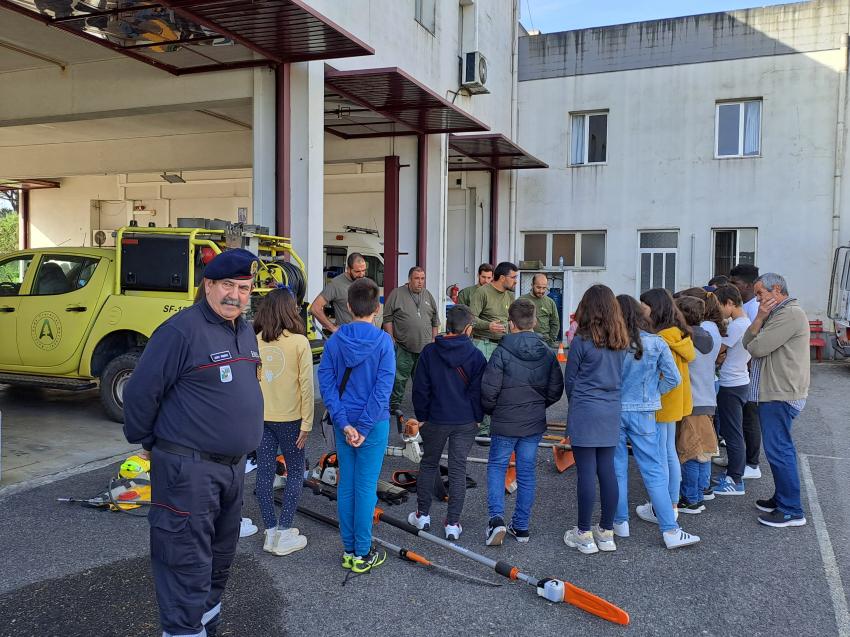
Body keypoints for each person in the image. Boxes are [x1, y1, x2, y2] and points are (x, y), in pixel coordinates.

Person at [123, 248, 264, 637]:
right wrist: (151, 440)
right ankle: (182, 631)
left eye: (245, 287)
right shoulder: (179, 331)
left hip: (233, 468)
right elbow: (140, 395)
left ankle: (205, 625)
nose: (236, 295)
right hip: (189, 470)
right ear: (208, 285)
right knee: (185, 561)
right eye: (228, 286)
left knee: (219, 558)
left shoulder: (244, 330)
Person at [317, 277, 395, 573]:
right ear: (377, 308)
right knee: (365, 488)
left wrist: (344, 422)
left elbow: (326, 384)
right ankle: (362, 552)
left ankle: (349, 549)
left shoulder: (335, 340)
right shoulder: (383, 342)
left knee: (347, 486)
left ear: (348, 306)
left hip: (343, 422)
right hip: (372, 425)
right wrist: (362, 427)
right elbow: (383, 389)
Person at [613, 294, 699, 549]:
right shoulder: (656, 343)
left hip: (616, 411)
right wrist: (652, 393)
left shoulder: (611, 343)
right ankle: (670, 530)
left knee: (617, 469)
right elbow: (674, 379)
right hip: (645, 412)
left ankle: (620, 523)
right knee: (653, 469)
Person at [481, 298, 563, 545]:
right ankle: (522, 526)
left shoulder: (501, 352)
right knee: (526, 472)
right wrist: (538, 405)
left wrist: (493, 410)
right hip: (533, 421)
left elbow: (488, 391)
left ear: (510, 324)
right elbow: (555, 389)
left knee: (497, 467)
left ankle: (496, 520)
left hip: (505, 420)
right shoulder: (547, 353)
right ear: (535, 322)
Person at [407, 304, 486, 540]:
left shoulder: (429, 352)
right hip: (465, 420)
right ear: (469, 329)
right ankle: (453, 523)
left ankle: (422, 516)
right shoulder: (476, 355)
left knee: (429, 464)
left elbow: (420, 389)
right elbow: (478, 392)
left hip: (435, 419)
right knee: (458, 469)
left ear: (446, 327)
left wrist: (422, 417)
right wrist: (478, 417)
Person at [562, 285, 628, 554]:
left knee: (586, 472)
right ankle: (606, 531)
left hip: (586, 409)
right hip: (611, 408)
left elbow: (571, 380)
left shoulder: (581, 341)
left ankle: (583, 533)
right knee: (608, 471)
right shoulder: (621, 341)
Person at [743, 273, 810, 527]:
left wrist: (759, 320)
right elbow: (746, 342)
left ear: (777, 289)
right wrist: (759, 318)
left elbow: (757, 348)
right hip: (773, 391)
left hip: (781, 392)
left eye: (760, 293)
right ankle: (783, 497)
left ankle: (792, 509)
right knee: (777, 450)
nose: (758, 298)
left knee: (780, 451)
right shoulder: (775, 313)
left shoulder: (789, 314)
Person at [253, 287, 313, 557]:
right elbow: (307, 386)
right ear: (289, 310)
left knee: (264, 473)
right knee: (295, 471)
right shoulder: (300, 342)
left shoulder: (254, 340)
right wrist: (307, 423)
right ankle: (284, 531)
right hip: (292, 419)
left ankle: (270, 529)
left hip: (261, 418)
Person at [638, 288, 696, 523]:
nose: (642, 310)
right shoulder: (679, 334)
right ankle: (671, 503)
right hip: (675, 401)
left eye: (645, 305)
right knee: (668, 452)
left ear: (656, 308)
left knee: (660, 455)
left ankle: (662, 507)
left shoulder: (662, 338)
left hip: (662, 401)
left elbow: (665, 375)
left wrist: (653, 392)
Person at [677, 287, 729, 500]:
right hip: (707, 398)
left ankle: (691, 498)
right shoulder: (708, 335)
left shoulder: (688, 342)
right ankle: (702, 490)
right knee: (704, 451)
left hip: (693, 401)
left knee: (690, 453)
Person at [383, 266, 440, 420]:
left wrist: (434, 340)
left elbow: (435, 320)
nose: (420, 282)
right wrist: (390, 338)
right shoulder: (397, 294)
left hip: (425, 348)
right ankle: (393, 406)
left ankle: (423, 409)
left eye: (422, 278)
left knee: (422, 381)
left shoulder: (428, 295)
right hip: (403, 346)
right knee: (398, 379)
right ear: (409, 279)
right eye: (417, 278)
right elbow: (387, 318)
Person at [470, 261, 519, 437]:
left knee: (500, 387)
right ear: (502, 277)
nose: (516, 281)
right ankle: (482, 429)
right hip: (483, 343)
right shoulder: (482, 293)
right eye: (513, 277)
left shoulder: (510, 297)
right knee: (484, 386)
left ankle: (493, 426)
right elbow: (471, 319)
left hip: (504, 346)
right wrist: (488, 326)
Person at [712, 284, 752, 496]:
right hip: (739, 380)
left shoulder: (738, 325)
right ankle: (733, 475)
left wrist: (718, 356)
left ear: (729, 303)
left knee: (732, 432)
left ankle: (735, 480)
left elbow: (718, 350)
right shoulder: (745, 323)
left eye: (720, 306)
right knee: (734, 431)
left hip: (731, 384)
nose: (719, 310)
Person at [730, 263, 763, 480]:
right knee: (739, 418)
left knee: (750, 418)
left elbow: (756, 343)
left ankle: (752, 463)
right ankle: (737, 458)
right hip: (742, 371)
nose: (733, 288)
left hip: (749, 371)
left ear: (750, 285)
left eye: (736, 284)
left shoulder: (754, 309)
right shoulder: (746, 306)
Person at [310, 252, 367, 333]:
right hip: (348, 338)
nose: (362, 275)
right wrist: (333, 328)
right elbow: (315, 308)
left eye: (364, 270)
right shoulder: (335, 284)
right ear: (348, 269)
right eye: (357, 271)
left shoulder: (365, 282)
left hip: (367, 336)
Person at [521, 273, 561, 346]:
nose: (541, 291)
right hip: (525, 341)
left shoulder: (550, 302)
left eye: (544, 288)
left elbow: (555, 323)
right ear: (532, 285)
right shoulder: (522, 300)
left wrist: (550, 341)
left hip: (544, 342)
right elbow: (514, 321)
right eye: (538, 287)